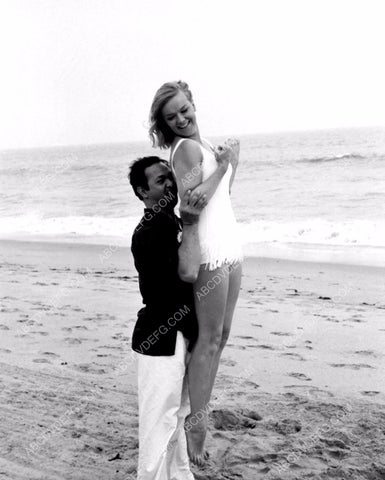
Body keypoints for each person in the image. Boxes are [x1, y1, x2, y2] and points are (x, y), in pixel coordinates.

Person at [149, 81, 243, 466]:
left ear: (193, 104)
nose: (182, 119)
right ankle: (196, 425)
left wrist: (233, 163)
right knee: (208, 340)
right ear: (165, 123)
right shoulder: (185, 149)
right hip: (207, 251)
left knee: (220, 337)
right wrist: (223, 165)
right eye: (172, 117)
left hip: (229, 243)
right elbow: (192, 202)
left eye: (185, 110)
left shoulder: (201, 147)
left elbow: (220, 196)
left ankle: (193, 411)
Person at [128, 155, 229, 479]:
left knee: (177, 418)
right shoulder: (151, 230)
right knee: (159, 426)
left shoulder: (170, 222)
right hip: (159, 337)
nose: (170, 183)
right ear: (143, 193)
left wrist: (223, 171)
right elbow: (185, 275)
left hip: (179, 334)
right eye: (160, 181)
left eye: (170, 176)